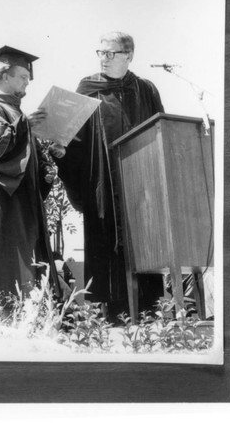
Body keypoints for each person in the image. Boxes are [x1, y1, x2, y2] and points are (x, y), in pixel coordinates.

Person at [50, 32, 164, 322]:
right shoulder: (87, 89)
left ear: (129, 55)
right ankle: (113, 313)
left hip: (143, 187)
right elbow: (71, 143)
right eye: (99, 52)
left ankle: (151, 309)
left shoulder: (146, 90)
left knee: (146, 243)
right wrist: (61, 152)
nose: (103, 57)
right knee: (107, 244)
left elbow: (161, 131)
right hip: (104, 184)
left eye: (110, 53)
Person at [0, 45, 59, 311]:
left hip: (22, 206)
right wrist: (24, 126)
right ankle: (5, 322)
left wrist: (45, 170)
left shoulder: (18, 114)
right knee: (7, 264)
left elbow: (28, 159)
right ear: (4, 75)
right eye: (22, 78)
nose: (26, 84)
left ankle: (33, 320)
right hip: (0, 207)